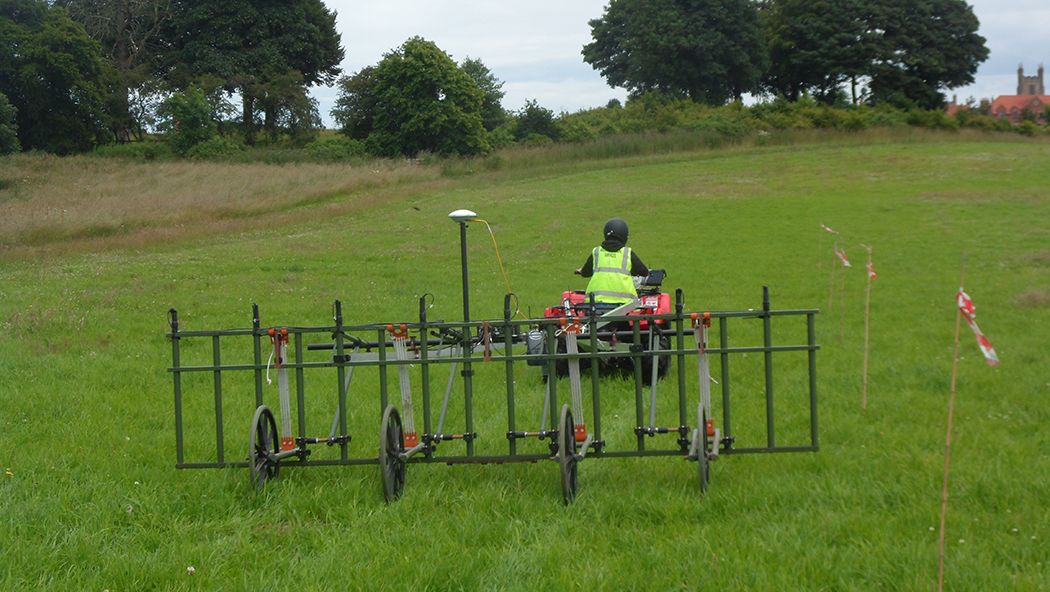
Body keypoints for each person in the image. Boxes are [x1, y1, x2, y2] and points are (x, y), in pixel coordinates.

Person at [574, 218, 649, 304]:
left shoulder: (597, 252)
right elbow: (644, 272)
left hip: (595, 303)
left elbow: (586, 272)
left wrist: (581, 271)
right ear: (624, 236)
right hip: (624, 304)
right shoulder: (627, 253)